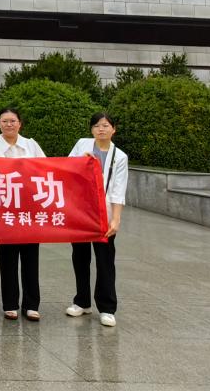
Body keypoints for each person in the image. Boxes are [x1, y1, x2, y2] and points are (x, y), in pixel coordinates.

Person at [67, 112, 128, 328]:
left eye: (105, 125)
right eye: (96, 126)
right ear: (91, 129)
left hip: (104, 214)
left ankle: (107, 308)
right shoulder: (82, 145)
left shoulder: (119, 156)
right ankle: (82, 301)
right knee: (80, 257)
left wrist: (116, 219)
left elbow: (119, 190)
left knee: (105, 260)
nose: (101, 129)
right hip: (81, 211)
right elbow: (68, 169)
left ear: (113, 129)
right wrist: (82, 162)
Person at [0, 107, 47, 322]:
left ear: (20, 123)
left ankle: (31, 305)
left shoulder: (31, 145)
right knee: (8, 259)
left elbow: (46, 169)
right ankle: (10, 304)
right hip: (4, 209)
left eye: (13, 121)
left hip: (30, 210)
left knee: (31, 258)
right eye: (4, 121)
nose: (9, 124)